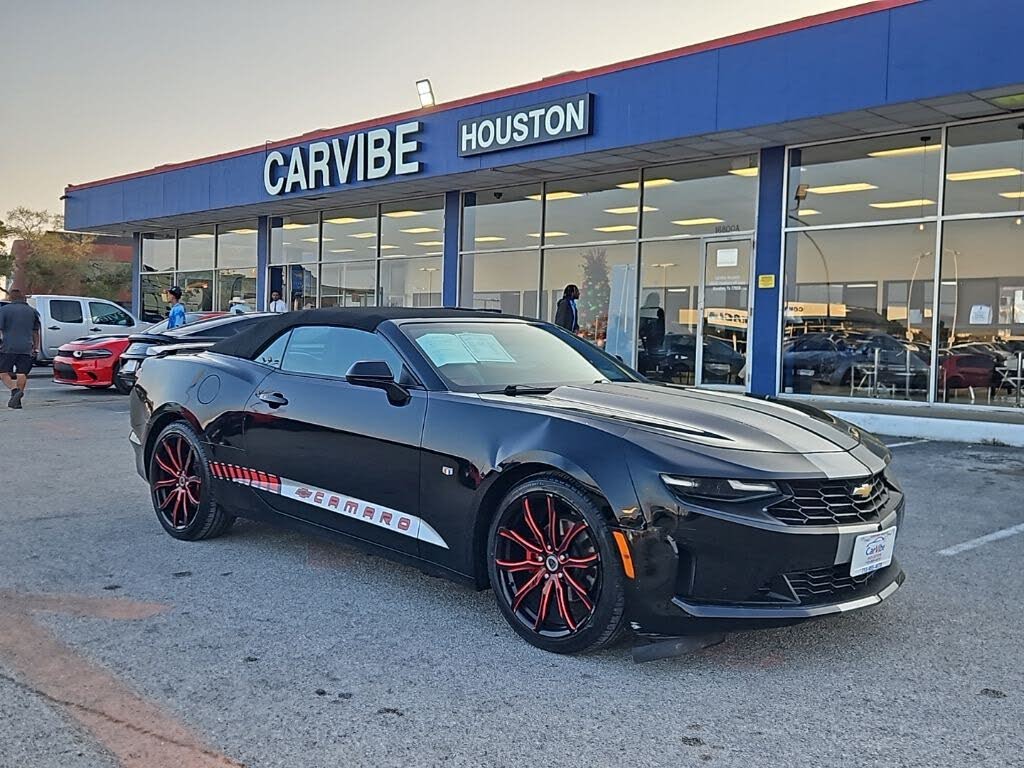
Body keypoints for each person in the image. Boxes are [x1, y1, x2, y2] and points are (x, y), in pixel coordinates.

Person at [0, 289, 42, 409]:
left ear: (11, 298)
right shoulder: (33, 312)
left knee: (2, 372)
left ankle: (14, 391)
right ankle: (17, 402)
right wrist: (36, 347)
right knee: (22, 373)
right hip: (26, 347)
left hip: (8, 347)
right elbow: (36, 332)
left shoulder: (4, 310)